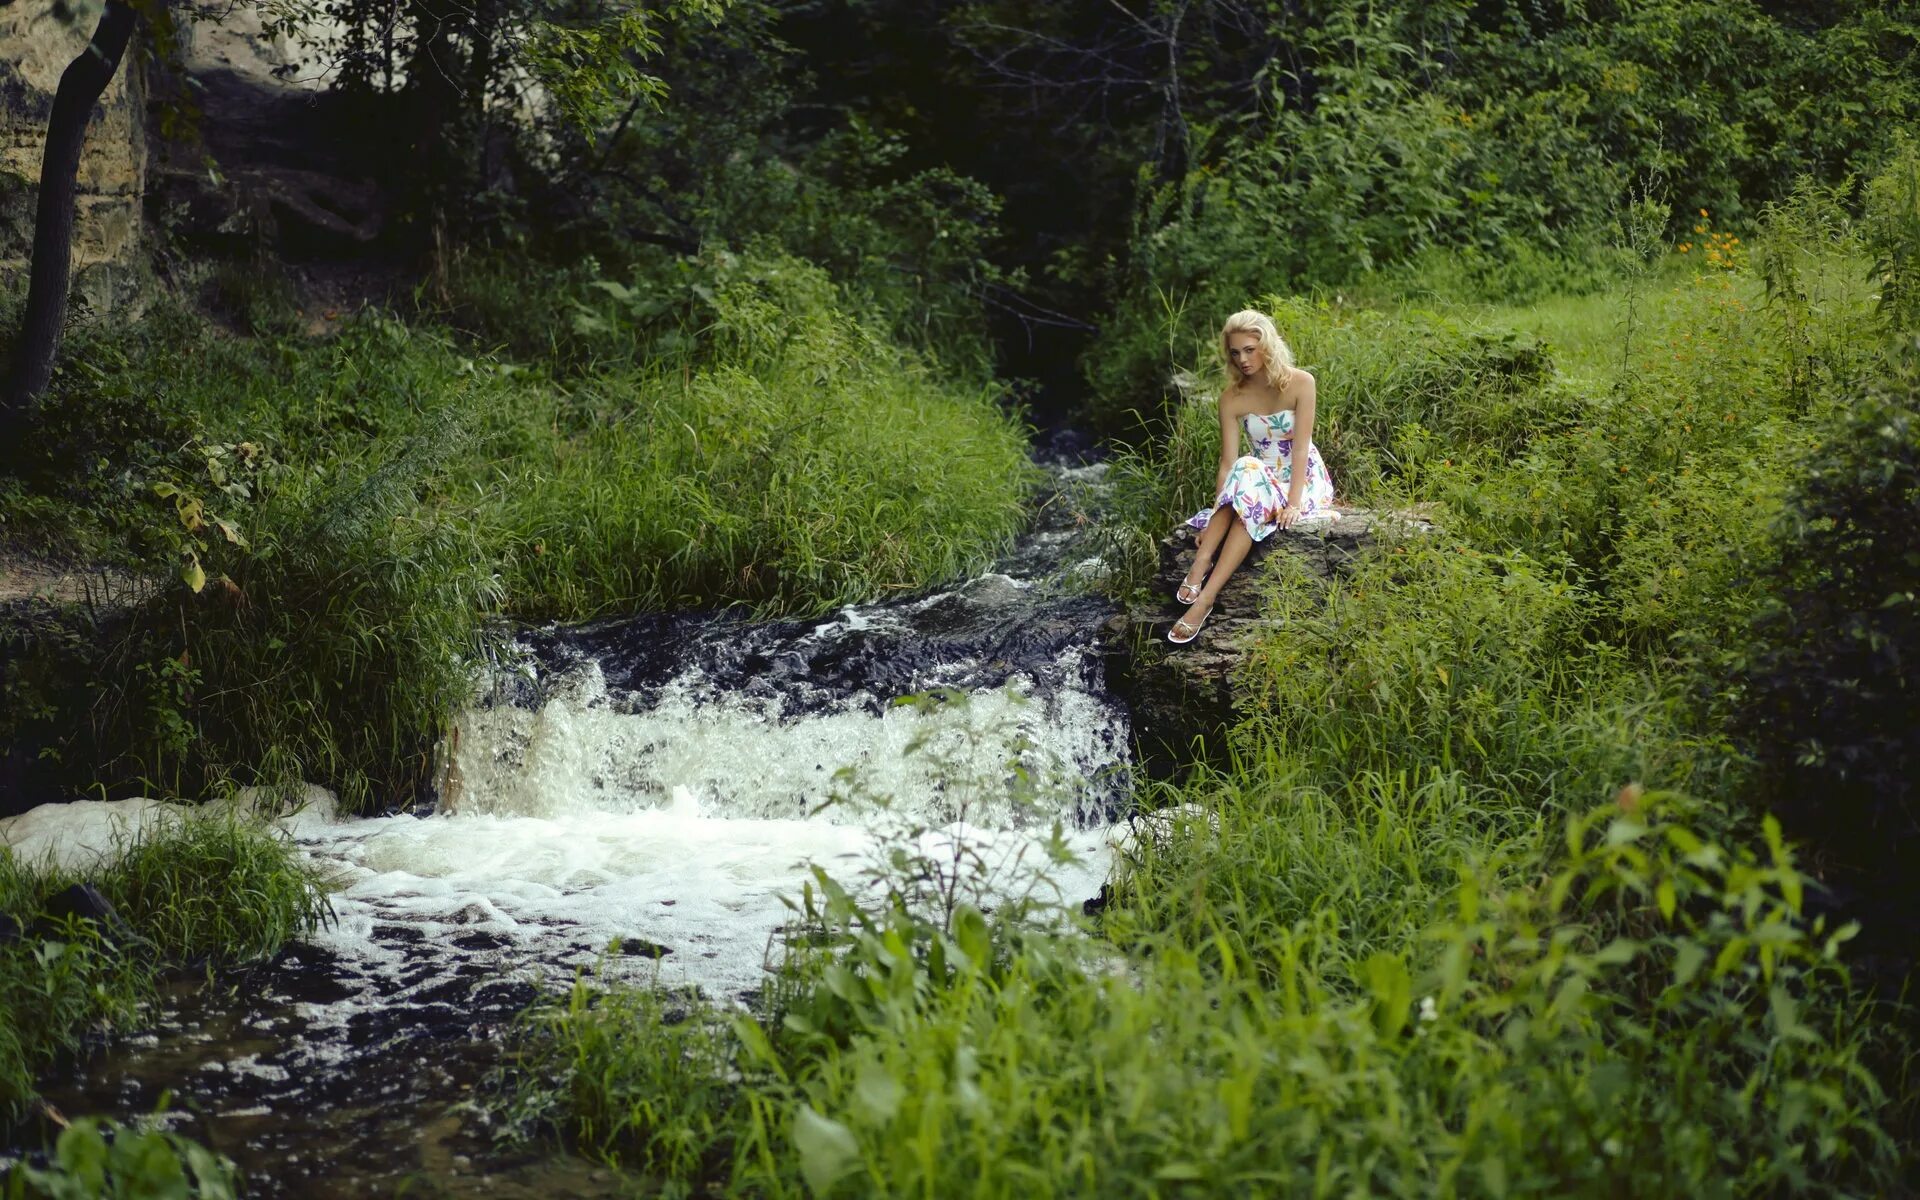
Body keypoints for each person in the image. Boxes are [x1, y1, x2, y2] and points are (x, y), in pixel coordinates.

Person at [1168, 309, 1336, 644]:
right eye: (1235, 352)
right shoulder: (1232, 398)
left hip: (1303, 479)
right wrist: (1218, 513)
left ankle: (1205, 599)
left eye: (1249, 349)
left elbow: (1301, 448)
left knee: (1250, 498)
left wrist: (1293, 503)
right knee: (1246, 470)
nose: (1243, 359)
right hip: (1257, 475)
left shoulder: (1302, 383)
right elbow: (1228, 464)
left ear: (1267, 346)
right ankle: (1201, 563)